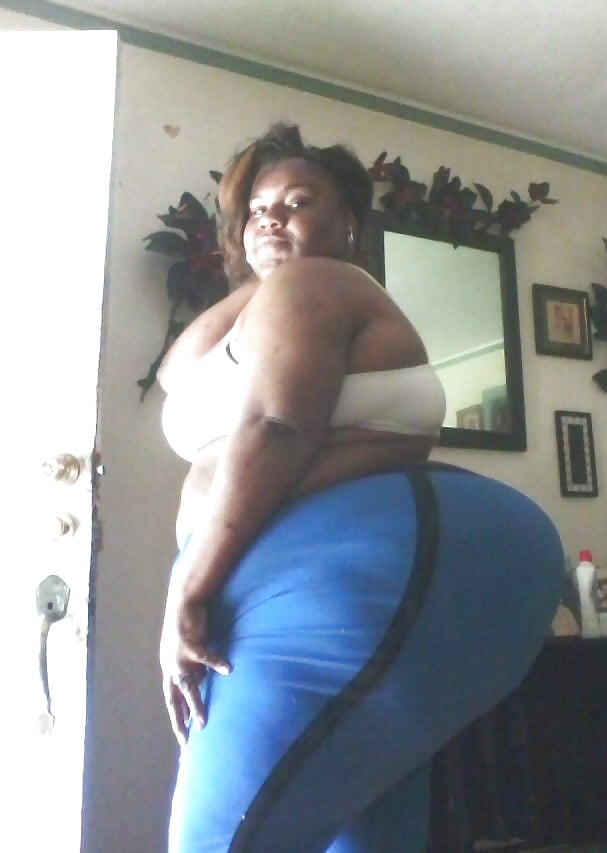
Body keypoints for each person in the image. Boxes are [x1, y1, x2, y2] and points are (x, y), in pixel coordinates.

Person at [157, 124, 564, 852]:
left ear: (348, 223)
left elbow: (279, 424)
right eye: (258, 210)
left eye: (298, 202)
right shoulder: (270, 299)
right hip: (364, 576)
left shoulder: (316, 282)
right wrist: (258, 265)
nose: (272, 218)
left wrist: (186, 588)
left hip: (344, 577)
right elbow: (177, 368)